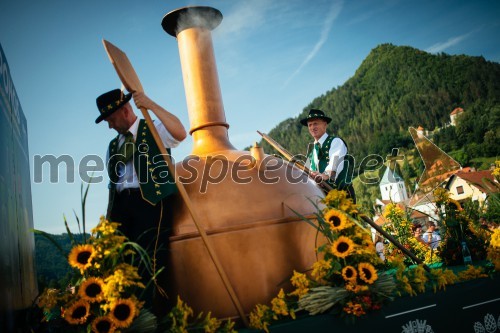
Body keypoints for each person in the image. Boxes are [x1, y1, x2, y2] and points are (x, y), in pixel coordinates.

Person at [95, 88, 186, 315]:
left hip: (151, 202)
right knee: (121, 262)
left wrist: (150, 104)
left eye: (111, 119)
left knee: (150, 260)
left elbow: (181, 132)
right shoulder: (112, 146)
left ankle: (151, 316)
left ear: (125, 111)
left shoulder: (154, 128)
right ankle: (127, 315)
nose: (109, 125)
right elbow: (113, 183)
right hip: (121, 207)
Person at [300, 109, 355, 201]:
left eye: (315, 123)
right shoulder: (311, 153)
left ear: (325, 124)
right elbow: (306, 174)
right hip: (321, 199)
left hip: (342, 197)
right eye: (310, 125)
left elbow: (334, 164)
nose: (312, 127)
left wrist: (324, 175)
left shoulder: (336, 142)